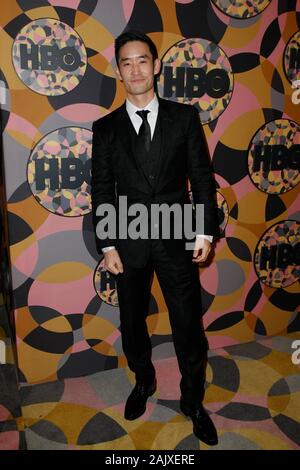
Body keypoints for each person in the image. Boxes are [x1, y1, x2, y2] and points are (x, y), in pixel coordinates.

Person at [91, 30, 219, 446]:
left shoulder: (184, 118)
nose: (135, 70)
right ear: (118, 71)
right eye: (126, 63)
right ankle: (143, 381)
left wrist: (203, 230)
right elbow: (102, 189)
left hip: (177, 236)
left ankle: (193, 400)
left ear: (156, 65)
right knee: (131, 322)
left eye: (142, 60)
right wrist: (107, 245)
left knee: (188, 323)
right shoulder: (105, 127)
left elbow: (200, 178)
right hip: (127, 241)